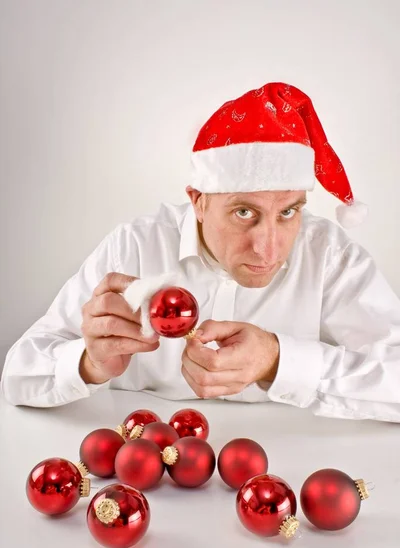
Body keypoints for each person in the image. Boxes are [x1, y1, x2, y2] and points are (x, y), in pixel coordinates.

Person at [2, 81, 400, 422]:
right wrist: (88, 364)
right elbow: (18, 375)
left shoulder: (329, 256)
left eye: (289, 211)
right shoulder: (135, 247)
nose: (268, 247)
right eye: (244, 212)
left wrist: (279, 361)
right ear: (199, 201)